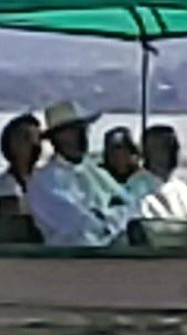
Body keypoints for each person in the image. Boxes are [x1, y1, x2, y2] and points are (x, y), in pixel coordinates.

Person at [26, 101, 138, 247]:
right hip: (70, 261)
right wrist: (112, 216)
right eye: (74, 130)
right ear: (58, 137)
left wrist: (109, 216)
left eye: (84, 128)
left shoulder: (93, 171)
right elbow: (82, 225)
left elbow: (131, 204)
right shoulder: (46, 181)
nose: (83, 134)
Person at [127, 125, 187, 221]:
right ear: (148, 151)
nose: (174, 151)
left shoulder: (185, 190)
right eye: (165, 146)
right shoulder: (135, 191)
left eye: (175, 146)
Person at [0, 114, 42, 215]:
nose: (34, 144)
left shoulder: (48, 180)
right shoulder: (5, 188)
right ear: (12, 144)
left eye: (38, 138)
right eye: (27, 138)